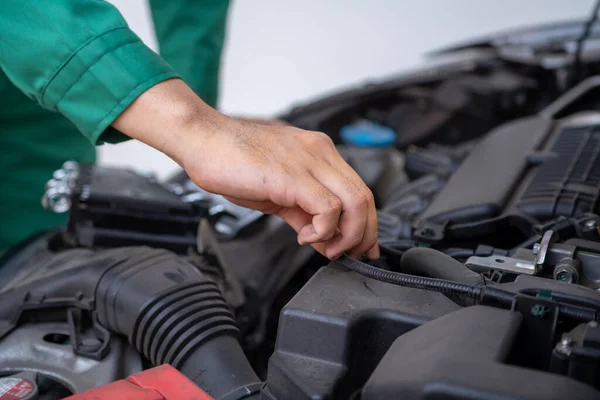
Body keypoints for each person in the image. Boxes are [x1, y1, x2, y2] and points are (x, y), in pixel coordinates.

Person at [0, 0, 378, 260]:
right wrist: (193, 128)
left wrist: (202, 111)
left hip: (34, 101)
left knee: (41, 251)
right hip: (36, 29)